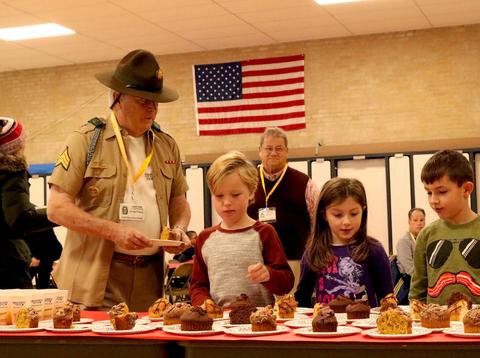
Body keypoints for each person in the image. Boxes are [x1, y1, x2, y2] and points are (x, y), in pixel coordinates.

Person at [47, 49, 191, 311]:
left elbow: (179, 200)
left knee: (146, 349)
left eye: (155, 101)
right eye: (142, 100)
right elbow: (57, 209)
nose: (152, 108)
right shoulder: (86, 140)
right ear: (116, 98)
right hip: (96, 276)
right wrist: (113, 231)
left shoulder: (166, 145)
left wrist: (179, 228)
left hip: (150, 278)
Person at [190, 151, 294, 307]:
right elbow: (198, 285)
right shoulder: (205, 238)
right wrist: (204, 303)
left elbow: (286, 281)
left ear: (251, 192)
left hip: (259, 322)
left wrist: (268, 275)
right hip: (218, 323)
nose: (226, 203)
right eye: (219, 196)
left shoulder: (264, 233)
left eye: (235, 195)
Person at [295, 177, 393, 308]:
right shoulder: (313, 251)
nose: (346, 222)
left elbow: (387, 299)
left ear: (363, 210)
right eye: (337, 215)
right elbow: (302, 299)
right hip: (326, 325)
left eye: (353, 214)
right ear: (324, 214)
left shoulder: (374, 250)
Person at [247, 127, 319, 290]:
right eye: (268, 148)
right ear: (260, 151)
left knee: (290, 310)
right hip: (254, 264)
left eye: (279, 148)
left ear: (286, 151)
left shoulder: (305, 183)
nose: (273, 153)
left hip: (294, 261)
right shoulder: (247, 181)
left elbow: (318, 224)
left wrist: (313, 257)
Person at [409, 150, 480, 304]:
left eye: (442, 192)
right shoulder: (426, 235)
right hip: (434, 325)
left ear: (466, 189)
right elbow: (417, 289)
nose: (433, 200)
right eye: (429, 193)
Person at [0, 117, 57, 289]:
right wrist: (60, 213)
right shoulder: (11, 171)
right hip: (7, 265)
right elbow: (20, 219)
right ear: (16, 147)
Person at [393, 208, 425, 303]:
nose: (419, 223)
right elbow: (409, 269)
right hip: (408, 286)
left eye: (422, 220)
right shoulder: (404, 241)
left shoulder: (424, 240)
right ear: (409, 222)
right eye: (415, 220)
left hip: (420, 284)